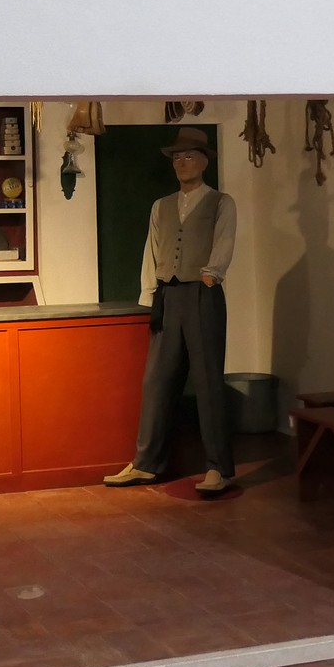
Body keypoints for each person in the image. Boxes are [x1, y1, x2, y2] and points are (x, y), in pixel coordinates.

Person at [104, 127, 238, 495]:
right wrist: (151, 293)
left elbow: (224, 242)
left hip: (202, 294)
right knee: (156, 381)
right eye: (177, 157)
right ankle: (146, 464)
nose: (181, 162)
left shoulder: (221, 202)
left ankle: (219, 468)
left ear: (204, 161)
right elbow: (152, 249)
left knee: (208, 382)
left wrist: (210, 276)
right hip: (168, 295)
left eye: (189, 156)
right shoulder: (160, 206)